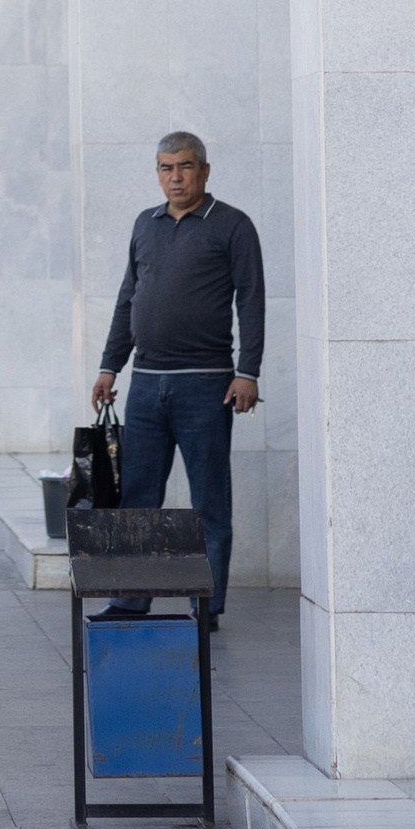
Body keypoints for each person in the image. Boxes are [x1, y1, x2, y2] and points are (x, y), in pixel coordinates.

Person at [90, 129, 264, 628]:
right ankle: (129, 599)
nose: (176, 177)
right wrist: (109, 365)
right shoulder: (145, 225)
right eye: (166, 168)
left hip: (206, 383)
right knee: (138, 497)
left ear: (204, 171)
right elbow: (128, 299)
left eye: (185, 167)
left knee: (209, 498)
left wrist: (247, 371)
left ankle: (205, 605)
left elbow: (251, 300)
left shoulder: (232, 225)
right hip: (145, 383)